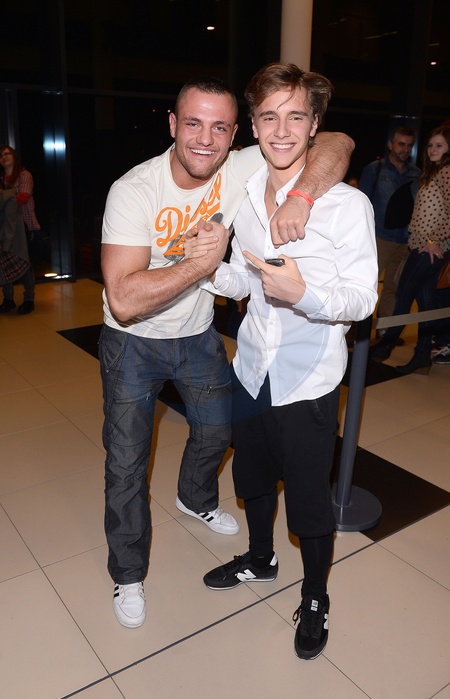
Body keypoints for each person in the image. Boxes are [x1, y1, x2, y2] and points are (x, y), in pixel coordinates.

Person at [100, 75, 354, 629]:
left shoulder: (240, 168)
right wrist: (201, 264)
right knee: (126, 463)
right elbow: (123, 300)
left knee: (218, 433)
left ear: (237, 133)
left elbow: (338, 142)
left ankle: (194, 497)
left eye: (219, 127)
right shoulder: (134, 190)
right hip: (133, 344)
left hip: (197, 336)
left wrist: (302, 197)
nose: (205, 139)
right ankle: (128, 574)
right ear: (173, 125)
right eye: (193, 123)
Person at [193, 63, 377, 660]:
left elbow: (363, 299)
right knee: (252, 480)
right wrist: (207, 266)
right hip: (251, 368)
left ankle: (316, 595)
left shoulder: (347, 206)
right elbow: (245, 281)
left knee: (309, 503)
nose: (281, 130)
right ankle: (260, 557)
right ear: (253, 124)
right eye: (269, 117)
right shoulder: (247, 196)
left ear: (314, 125)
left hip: (308, 380)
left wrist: (306, 295)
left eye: (295, 116)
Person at [370, 125, 450, 373]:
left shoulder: (446, 171)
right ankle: (421, 355)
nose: (432, 149)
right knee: (424, 304)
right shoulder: (435, 172)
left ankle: (385, 346)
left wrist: (433, 240)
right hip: (422, 247)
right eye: (430, 145)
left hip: (428, 249)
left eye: (439, 145)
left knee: (403, 296)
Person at [359, 126, 421, 332]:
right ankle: (358, 332)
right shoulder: (374, 169)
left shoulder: (416, 174)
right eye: (401, 144)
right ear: (391, 144)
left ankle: (384, 331)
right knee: (365, 285)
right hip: (378, 238)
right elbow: (362, 204)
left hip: (404, 241)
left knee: (393, 288)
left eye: (409, 145)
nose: (405, 149)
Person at [0, 145, 40, 314]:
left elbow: (22, 198)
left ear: (14, 157)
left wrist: (4, 197)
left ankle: (29, 299)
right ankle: (8, 299)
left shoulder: (24, 175)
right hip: (5, 228)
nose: (4, 157)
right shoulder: (1, 178)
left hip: (25, 226)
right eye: (1, 155)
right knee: (4, 263)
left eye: (7, 154)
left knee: (26, 264)